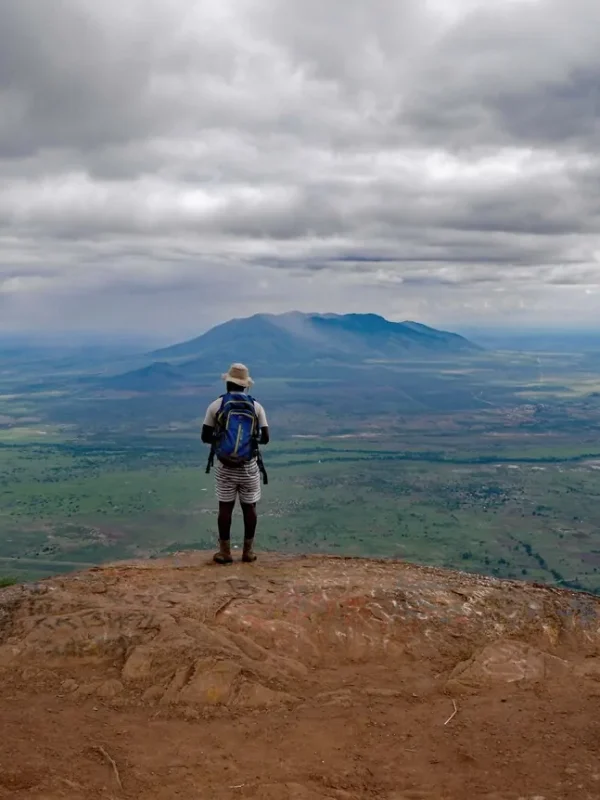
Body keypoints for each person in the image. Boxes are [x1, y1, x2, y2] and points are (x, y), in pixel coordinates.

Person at [201, 363, 269, 565]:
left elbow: (205, 436)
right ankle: (248, 552)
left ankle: (225, 552)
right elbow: (265, 438)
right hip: (248, 466)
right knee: (250, 507)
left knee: (225, 508)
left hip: (225, 466)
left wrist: (222, 441)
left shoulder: (216, 405)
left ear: (227, 383)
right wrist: (249, 442)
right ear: (246, 385)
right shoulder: (256, 406)